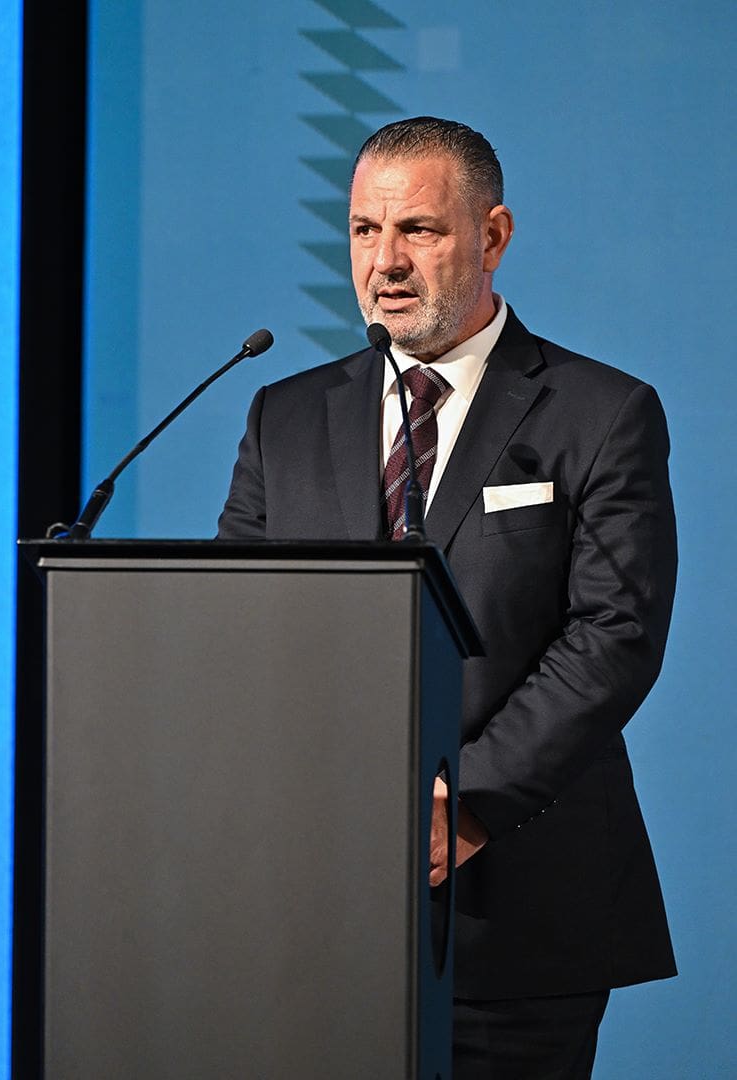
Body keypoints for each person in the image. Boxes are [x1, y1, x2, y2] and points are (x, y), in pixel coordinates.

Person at [218, 116, 677, 1079]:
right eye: (363, 230)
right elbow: (238, 624)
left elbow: (613, 634)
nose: (384, 261)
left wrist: (464, 801)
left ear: (492, 236)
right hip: (309, 917)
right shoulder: (284, 415)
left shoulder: (600, 413)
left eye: (417, 229)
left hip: (517, 917)